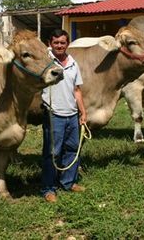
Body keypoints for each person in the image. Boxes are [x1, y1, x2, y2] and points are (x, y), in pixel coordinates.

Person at [41, 29, 87, 203]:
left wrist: (83, 112)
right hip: (54, 114)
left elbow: (77, 90)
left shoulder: (74, 63)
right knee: (52, 153)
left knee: (73, 149)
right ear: (50, 44)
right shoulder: (46, 63)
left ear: (67, 44)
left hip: (72, 115)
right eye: (56, 43)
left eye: (63, 42)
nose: (59, 46)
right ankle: (48, 188)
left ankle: (68, 182)